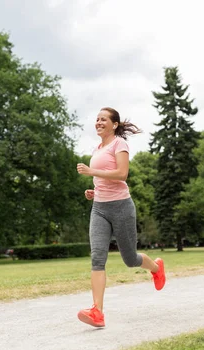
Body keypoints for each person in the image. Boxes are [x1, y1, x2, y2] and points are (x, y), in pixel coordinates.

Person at [76, 107, 166, 328]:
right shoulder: (97, 149)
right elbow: (104, 181)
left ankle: (156, 268)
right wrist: (94, 192)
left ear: (114, 124)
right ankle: (97, 312)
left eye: (103, 119)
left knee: (130, 259)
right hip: (99, 209)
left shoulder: (120, 144)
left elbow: (122, 174)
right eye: (96, 119)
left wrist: (91, 172)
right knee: (97, 257)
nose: (98, 122)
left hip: (121, 208)